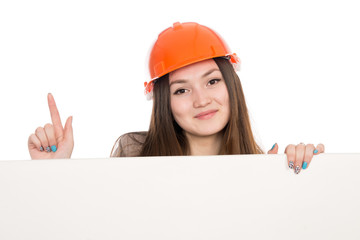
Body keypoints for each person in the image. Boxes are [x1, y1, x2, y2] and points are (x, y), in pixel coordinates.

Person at [28, 22, 324, 174]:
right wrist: (55, 174)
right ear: (164, 105)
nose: (201, 100)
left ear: (231, 86)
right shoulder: (133, 154)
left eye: (212, 81)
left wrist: (300, 181)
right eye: (181, 89)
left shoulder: (263, 165)